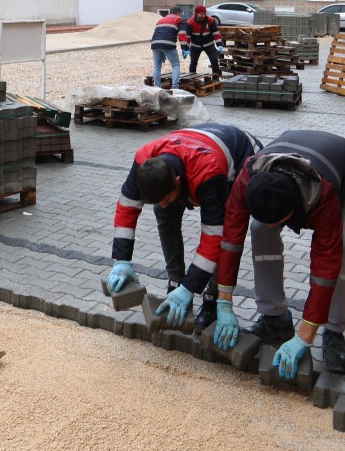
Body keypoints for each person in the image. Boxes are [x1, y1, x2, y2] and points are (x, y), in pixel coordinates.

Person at [210, 130, 345, 379]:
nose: (277, 226)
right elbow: (231, 239)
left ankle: (334, 332)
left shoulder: (324, 196)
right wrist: (224, 302)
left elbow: (324, 267)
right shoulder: (248, 176)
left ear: (295, 211)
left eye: (280, 222)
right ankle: (275, 318)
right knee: (259, 228)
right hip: (294, 152)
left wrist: (305, 335)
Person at [103, 123, 263, 332]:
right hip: (193, 146)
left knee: (229, 232)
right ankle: (175, 281)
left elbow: (214, 239)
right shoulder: (144, 158)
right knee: (163, 211)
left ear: (178, 182)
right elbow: (127, 206)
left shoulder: (208, 173)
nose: (164, 202)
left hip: (241, 159)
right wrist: (121, 260)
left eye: (168, 198)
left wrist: (191, 288)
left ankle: (212, 299)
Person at [149, 8, 185, 90]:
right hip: (168, 44)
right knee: (175, 65)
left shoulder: (161, 20)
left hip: (155, 44)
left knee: (157, 66)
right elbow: (182, 34)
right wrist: (185, 48)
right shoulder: (179, 19)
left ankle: (157, 87)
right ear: (179, 13)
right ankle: (175, 87)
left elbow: (159, 33)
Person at [183, 5, 222, 78]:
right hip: (195, 46)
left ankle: (216, 79)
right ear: (196, 14)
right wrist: (186, 48)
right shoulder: (190, 22)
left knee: (214, 62)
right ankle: (192, 79)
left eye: (204, 14)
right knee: (193, 63)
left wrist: (219, 44)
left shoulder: (211, 20)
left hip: (209, 45)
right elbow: (187, 37)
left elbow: (216, 33)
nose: (203, 16)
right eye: (201, 14)